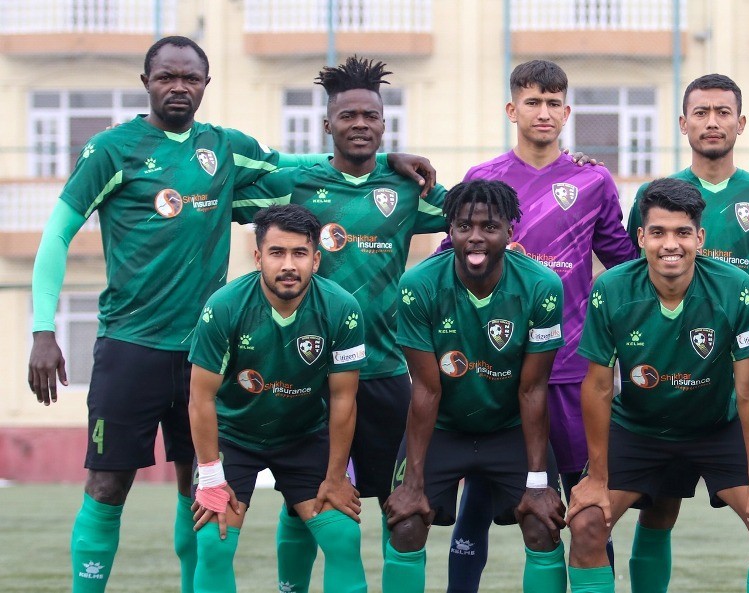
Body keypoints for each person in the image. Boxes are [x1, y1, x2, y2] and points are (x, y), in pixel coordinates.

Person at [24, 36, 431, 593]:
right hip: (131, 345)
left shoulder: (224, 147)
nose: (178, 87)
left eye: (190, 78)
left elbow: (297, 163)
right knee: (106, 485)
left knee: (198, 493)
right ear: (146, 82)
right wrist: (43, 328)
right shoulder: (112, 150)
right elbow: (57, 234)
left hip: (206, 354)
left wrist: (383, 161)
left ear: (205, 85)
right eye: (166, 77)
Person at [231, 55, 447, 593]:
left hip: (384, 371)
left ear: (384, 123)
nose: (359, 124)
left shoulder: (405, 188)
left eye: (370, 116)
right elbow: (221, 199)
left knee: (401, 506)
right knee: (305, 500)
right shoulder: (296, 183)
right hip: (309, 376)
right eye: (347, 115)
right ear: (327, 124)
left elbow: (475, 216)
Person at [444, 59, 635, 591]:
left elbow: (623, 263)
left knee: (587, 501)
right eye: (532, 102)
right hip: (497, 370)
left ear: (567, 112)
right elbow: (449, 255)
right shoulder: (482, 179)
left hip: (571, 368)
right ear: (512, 110)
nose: (543, 112)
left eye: (553, 103)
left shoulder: (592, 179)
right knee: (478, 499)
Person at [567, 177, 749, 593]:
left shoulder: (735, 287)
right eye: (658, 232)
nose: (670, 244)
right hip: (639, 428)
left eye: (682, 233)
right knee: (587, 523)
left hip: (717, 426)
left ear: (699, 238)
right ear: (641, 238)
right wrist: (597, 477)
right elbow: (597, 387)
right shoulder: (610, 289)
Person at [622, 74, 749, 592]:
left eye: (723, 112)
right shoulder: (655, 195)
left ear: (741, 123)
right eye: (701, 112)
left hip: (741, 384)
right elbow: (638, 271)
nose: (712, 122)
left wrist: (744, 304)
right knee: (658, 509)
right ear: (683, 123)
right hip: (666, 379)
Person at [383, 180, 567, 593]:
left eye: (490, 226)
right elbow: (426, 390)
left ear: (510, 231)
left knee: (543, 525)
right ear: (450, 230)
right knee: (406, 523)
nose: (476, 237)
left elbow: (533, 390)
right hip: (443, 428)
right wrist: (413, 484)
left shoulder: (542, 286)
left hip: (510, 429)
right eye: (464, 226)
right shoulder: (418, 285)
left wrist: (538, 483)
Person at [188, 204, 368, 593]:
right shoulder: (224, 307)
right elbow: (200, 398)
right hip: (233, 436)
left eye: (299, 253)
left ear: (316, 260)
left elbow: (344, 399)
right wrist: (212, 477)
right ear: (258, 258)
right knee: (214, 541)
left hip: (304, 435)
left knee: (343, 538)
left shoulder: (342, 309)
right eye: (277, 253)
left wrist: (336, 477)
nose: (288, 265)